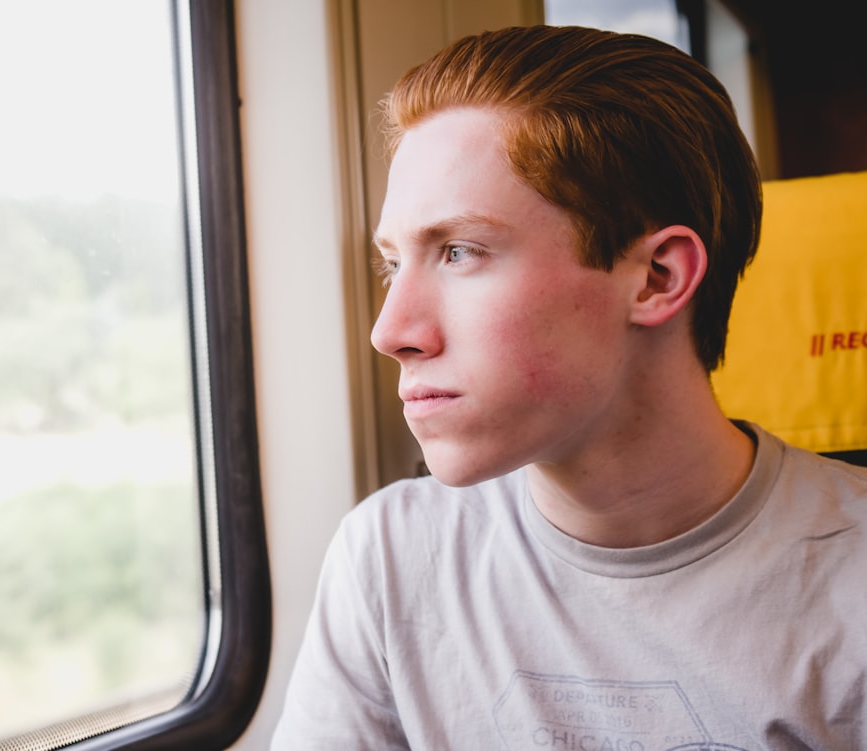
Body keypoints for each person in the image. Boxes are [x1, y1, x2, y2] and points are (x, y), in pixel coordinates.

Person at [272, 25, 867, 750]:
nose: (391, 330)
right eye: (393, 265)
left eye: (459, 251)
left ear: (657, 278)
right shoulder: (390, 558)